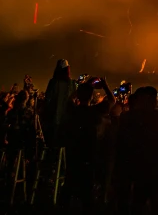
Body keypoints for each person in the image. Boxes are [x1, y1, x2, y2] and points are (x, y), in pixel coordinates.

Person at [61, 77, 115, 213]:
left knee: (70, 182)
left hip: (73, 153)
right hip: (90, 154)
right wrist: (105, 85)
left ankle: (65, 207)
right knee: (87, 187)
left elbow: (68, 100)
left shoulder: (73, 110)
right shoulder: (95, 112)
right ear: (92, 96)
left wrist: (80, 89)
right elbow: (112, 100)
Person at [116, 86, 158, 214]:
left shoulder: (127, 117)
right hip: (149, 165)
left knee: (136, 201)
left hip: (134, 165)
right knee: (150, 200)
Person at [44, 59, 76, 146]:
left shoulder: (53, 82)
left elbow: (47, 99)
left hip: (53, 118)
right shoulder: (71, 83)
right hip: (66, 118)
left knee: (52, 143)